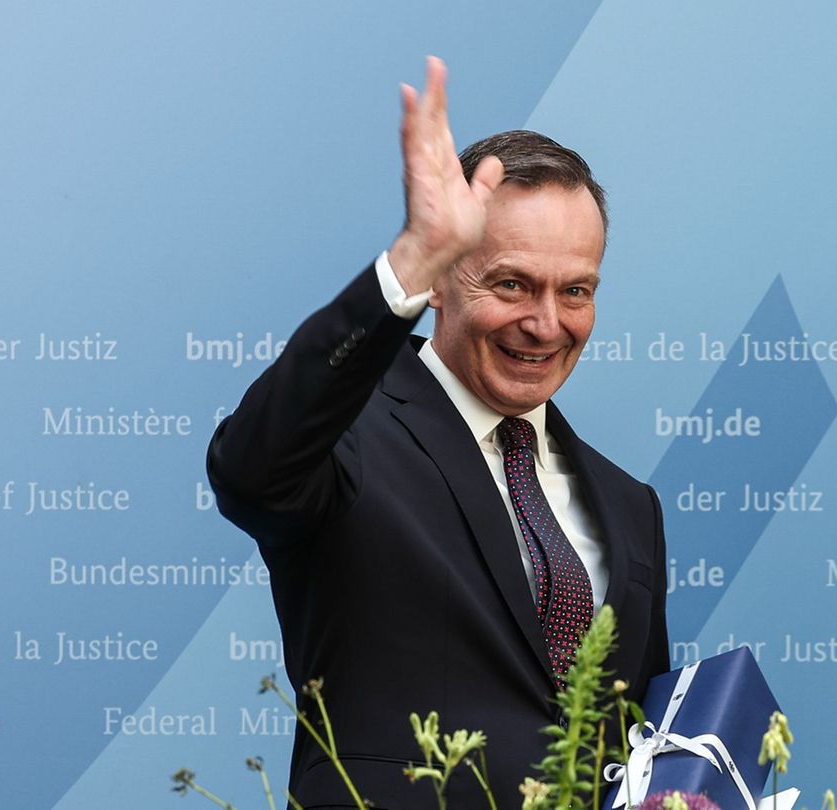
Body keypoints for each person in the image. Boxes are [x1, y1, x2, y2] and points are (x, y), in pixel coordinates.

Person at [206, 57, 669, 809]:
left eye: (575, 291)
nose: (546, 323)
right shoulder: (347, 439)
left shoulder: (631, 505)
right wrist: (409, 258)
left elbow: (639, 751)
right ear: (443, 283)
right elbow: (251, 469)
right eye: (512, 283)